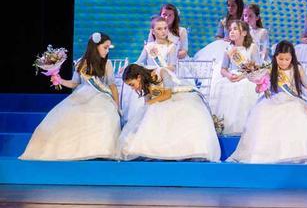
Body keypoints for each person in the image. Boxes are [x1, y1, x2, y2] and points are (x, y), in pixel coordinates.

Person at [21, 32, 122, 161]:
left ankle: (101, 150)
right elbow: (75, 83)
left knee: (105, 114)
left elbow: (112, 85)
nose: (107, 51)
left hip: (101, 96)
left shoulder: (106, 64)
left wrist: (117, 104)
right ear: (95, 46)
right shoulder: (81, 63)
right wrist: (60, 80)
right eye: (105, 47)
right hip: (82, 95)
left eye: (108, 48)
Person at [229, 41, 307, 164]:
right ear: (275, 57)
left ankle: (296, 154)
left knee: (304, 118)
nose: (283, 62)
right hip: (273, 101)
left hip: (293, 101)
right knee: (265, 118)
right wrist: (241, 78)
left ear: (292, 58)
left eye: (287, 59)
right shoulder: (270, 68)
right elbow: (256, 78)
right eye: (280, 59)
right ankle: (266, 154)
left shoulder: (297, 69)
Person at [119, 64, 221, 162]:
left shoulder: (161, 72)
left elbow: (167, 95)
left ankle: (189, 150)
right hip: (161, 102)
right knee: (152, 112)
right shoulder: (146, 85)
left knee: (175, 112)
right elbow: (148, 102)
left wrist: (151, 103)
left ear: (139, 77)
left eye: (132, 85)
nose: (133, 88)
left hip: (179, 97)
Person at [211, 19, 261, 135]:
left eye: (235, 29)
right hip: (232, 77)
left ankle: (246, 128)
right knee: (223, 87)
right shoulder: (229, 49)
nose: (231, 32)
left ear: (244, 33)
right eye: (230, 30)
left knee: (244, 88)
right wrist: (228, 75)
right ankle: (227, 127)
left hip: (247, 77)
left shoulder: (252, 47)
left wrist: (243, 76)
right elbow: (223, 69)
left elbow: (257, 67)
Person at [192, 0, 245, 64]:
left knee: (240, 63)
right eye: (228, 5)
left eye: (233, 6)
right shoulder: (224, 21)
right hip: (225, 46)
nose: (230, 8)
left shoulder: (244, 21)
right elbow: (218, 35)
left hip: (240, 46)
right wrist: (222, 40)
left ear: (239, 6)